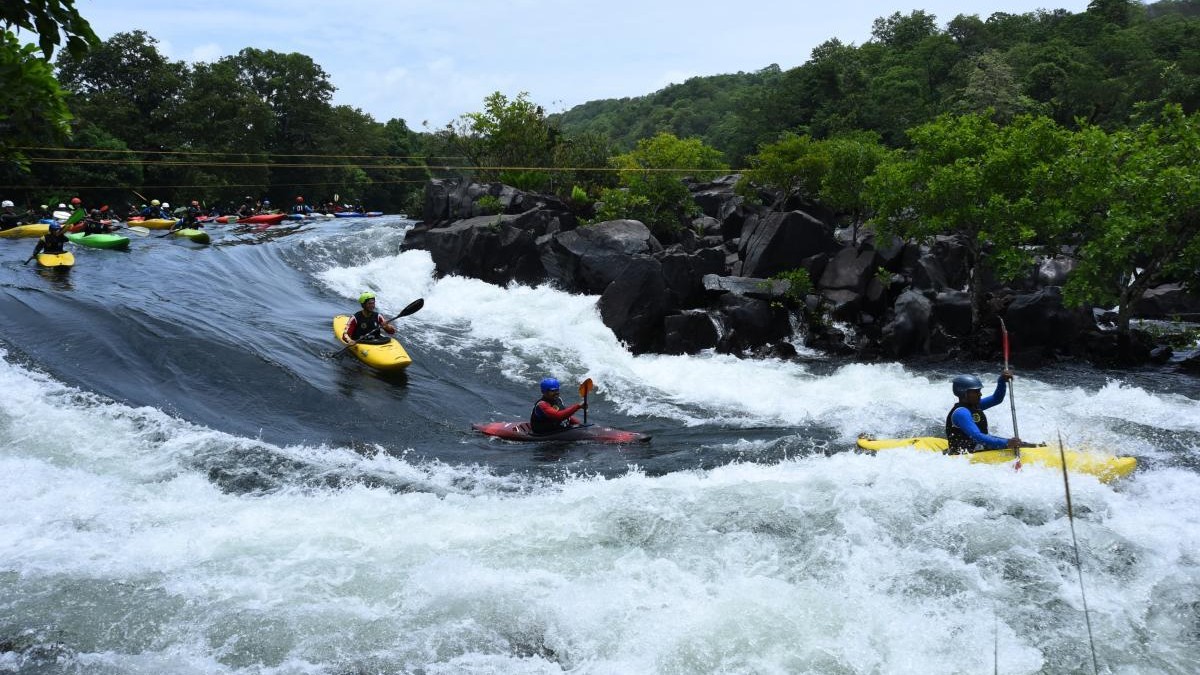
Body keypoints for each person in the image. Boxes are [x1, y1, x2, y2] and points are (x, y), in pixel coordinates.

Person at [945, 372, 1024, 454]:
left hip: (977, 449)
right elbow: (977, 436)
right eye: (976, 392)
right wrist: (1006, 443)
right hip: (963, 455)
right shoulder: (961, 412)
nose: (980, 394)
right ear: (964, 393)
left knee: (1021, 444)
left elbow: (997, 398)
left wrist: (1002, 381)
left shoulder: (975, 405)